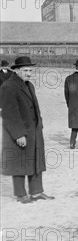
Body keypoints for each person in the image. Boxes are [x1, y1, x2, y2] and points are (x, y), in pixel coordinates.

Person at [0, 56, 54, 203]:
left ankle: (36, 192)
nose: (29, 73)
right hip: (19, 131)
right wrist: (18, 134)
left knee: (35, 159)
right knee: (19, 162)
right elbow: (9, 113)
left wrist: (39, 125)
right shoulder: (8, 86)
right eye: (25, 70)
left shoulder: (29, 85)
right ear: (16, 70)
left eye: (30, 70)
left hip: (34, 130)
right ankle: (21, 194)